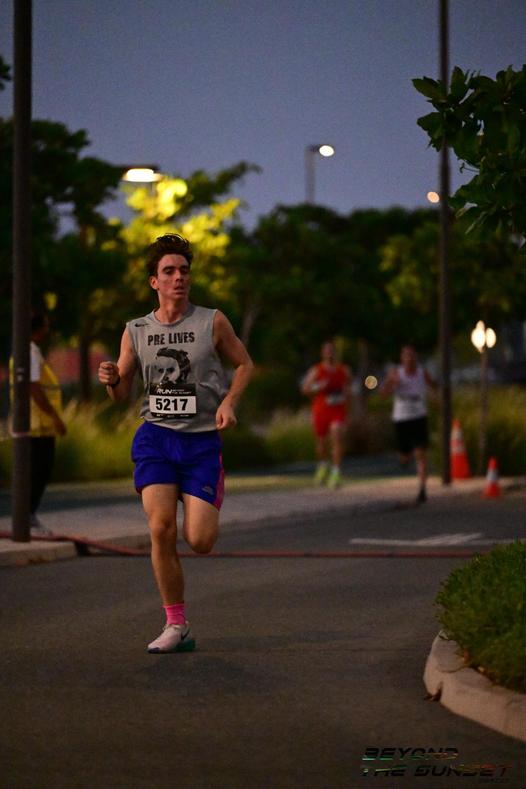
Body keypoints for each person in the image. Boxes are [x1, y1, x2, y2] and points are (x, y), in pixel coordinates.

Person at [98, 234, 253, 654]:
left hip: (201, 443)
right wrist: (112, 379)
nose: (178, 277)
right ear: (154, 281)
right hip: (156, 438)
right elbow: (121, 392)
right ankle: (176, 624)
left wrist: (229, 401)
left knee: (200, 540)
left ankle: (205, 488)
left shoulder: (212, 322)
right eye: (169, 271)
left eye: (184, 270)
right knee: (161, 528)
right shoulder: (136, 330)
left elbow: (244, 364)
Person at [21, 312, 67, 535]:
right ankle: (27, 517)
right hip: (37, 423)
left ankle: (27, 516)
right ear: (37, 329)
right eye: (46, 326)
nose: (48, 330)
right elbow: (34, 388)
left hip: (35, 422)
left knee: (38, 470)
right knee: (39, 470)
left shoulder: (31, 351)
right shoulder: (29, 352)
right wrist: (55, 417)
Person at [380, 344, 438, 504]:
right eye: (406, 356)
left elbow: (433, 385)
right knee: (404, 457)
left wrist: (435, 396)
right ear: (402, 358)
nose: (409, 359)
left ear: (416, 357)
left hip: (419, 416)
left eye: (412, 355)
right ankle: (407, 456)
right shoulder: (396, 373)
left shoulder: (421, 373)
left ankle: (422, 490)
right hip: (402, 418)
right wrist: (391, 382)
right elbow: (383, 394)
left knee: (420, 453)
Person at [301, 341, 352, 488]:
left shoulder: (344, 370)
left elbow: (349, 389)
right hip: (321, 410)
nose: (329, 353)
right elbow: (305, 389)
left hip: (338, 409)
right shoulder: (316, 370)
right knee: (321, 443)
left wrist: (347, 397)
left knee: (336, 437)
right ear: (322, 353)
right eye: (326, 350)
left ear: (335, 352)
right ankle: (323, 465)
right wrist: (318, 387)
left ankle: (336, 472)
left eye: (331, 350)